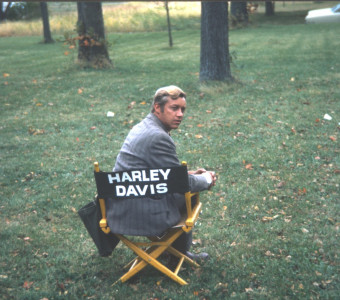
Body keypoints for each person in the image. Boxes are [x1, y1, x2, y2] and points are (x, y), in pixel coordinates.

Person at [107, 85, 217, 261]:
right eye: (174, 108)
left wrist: (189, 174)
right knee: (188, 193)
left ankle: (174, 251)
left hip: (125, 200)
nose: (180, 114)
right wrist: (205, 179)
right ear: (157, 107)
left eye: (182, 109)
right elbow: (181, 184)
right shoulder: (157, 136)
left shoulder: (145, 126)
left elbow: (157, 173)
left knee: (184, 188)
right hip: (135, 210)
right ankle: (177, 255)